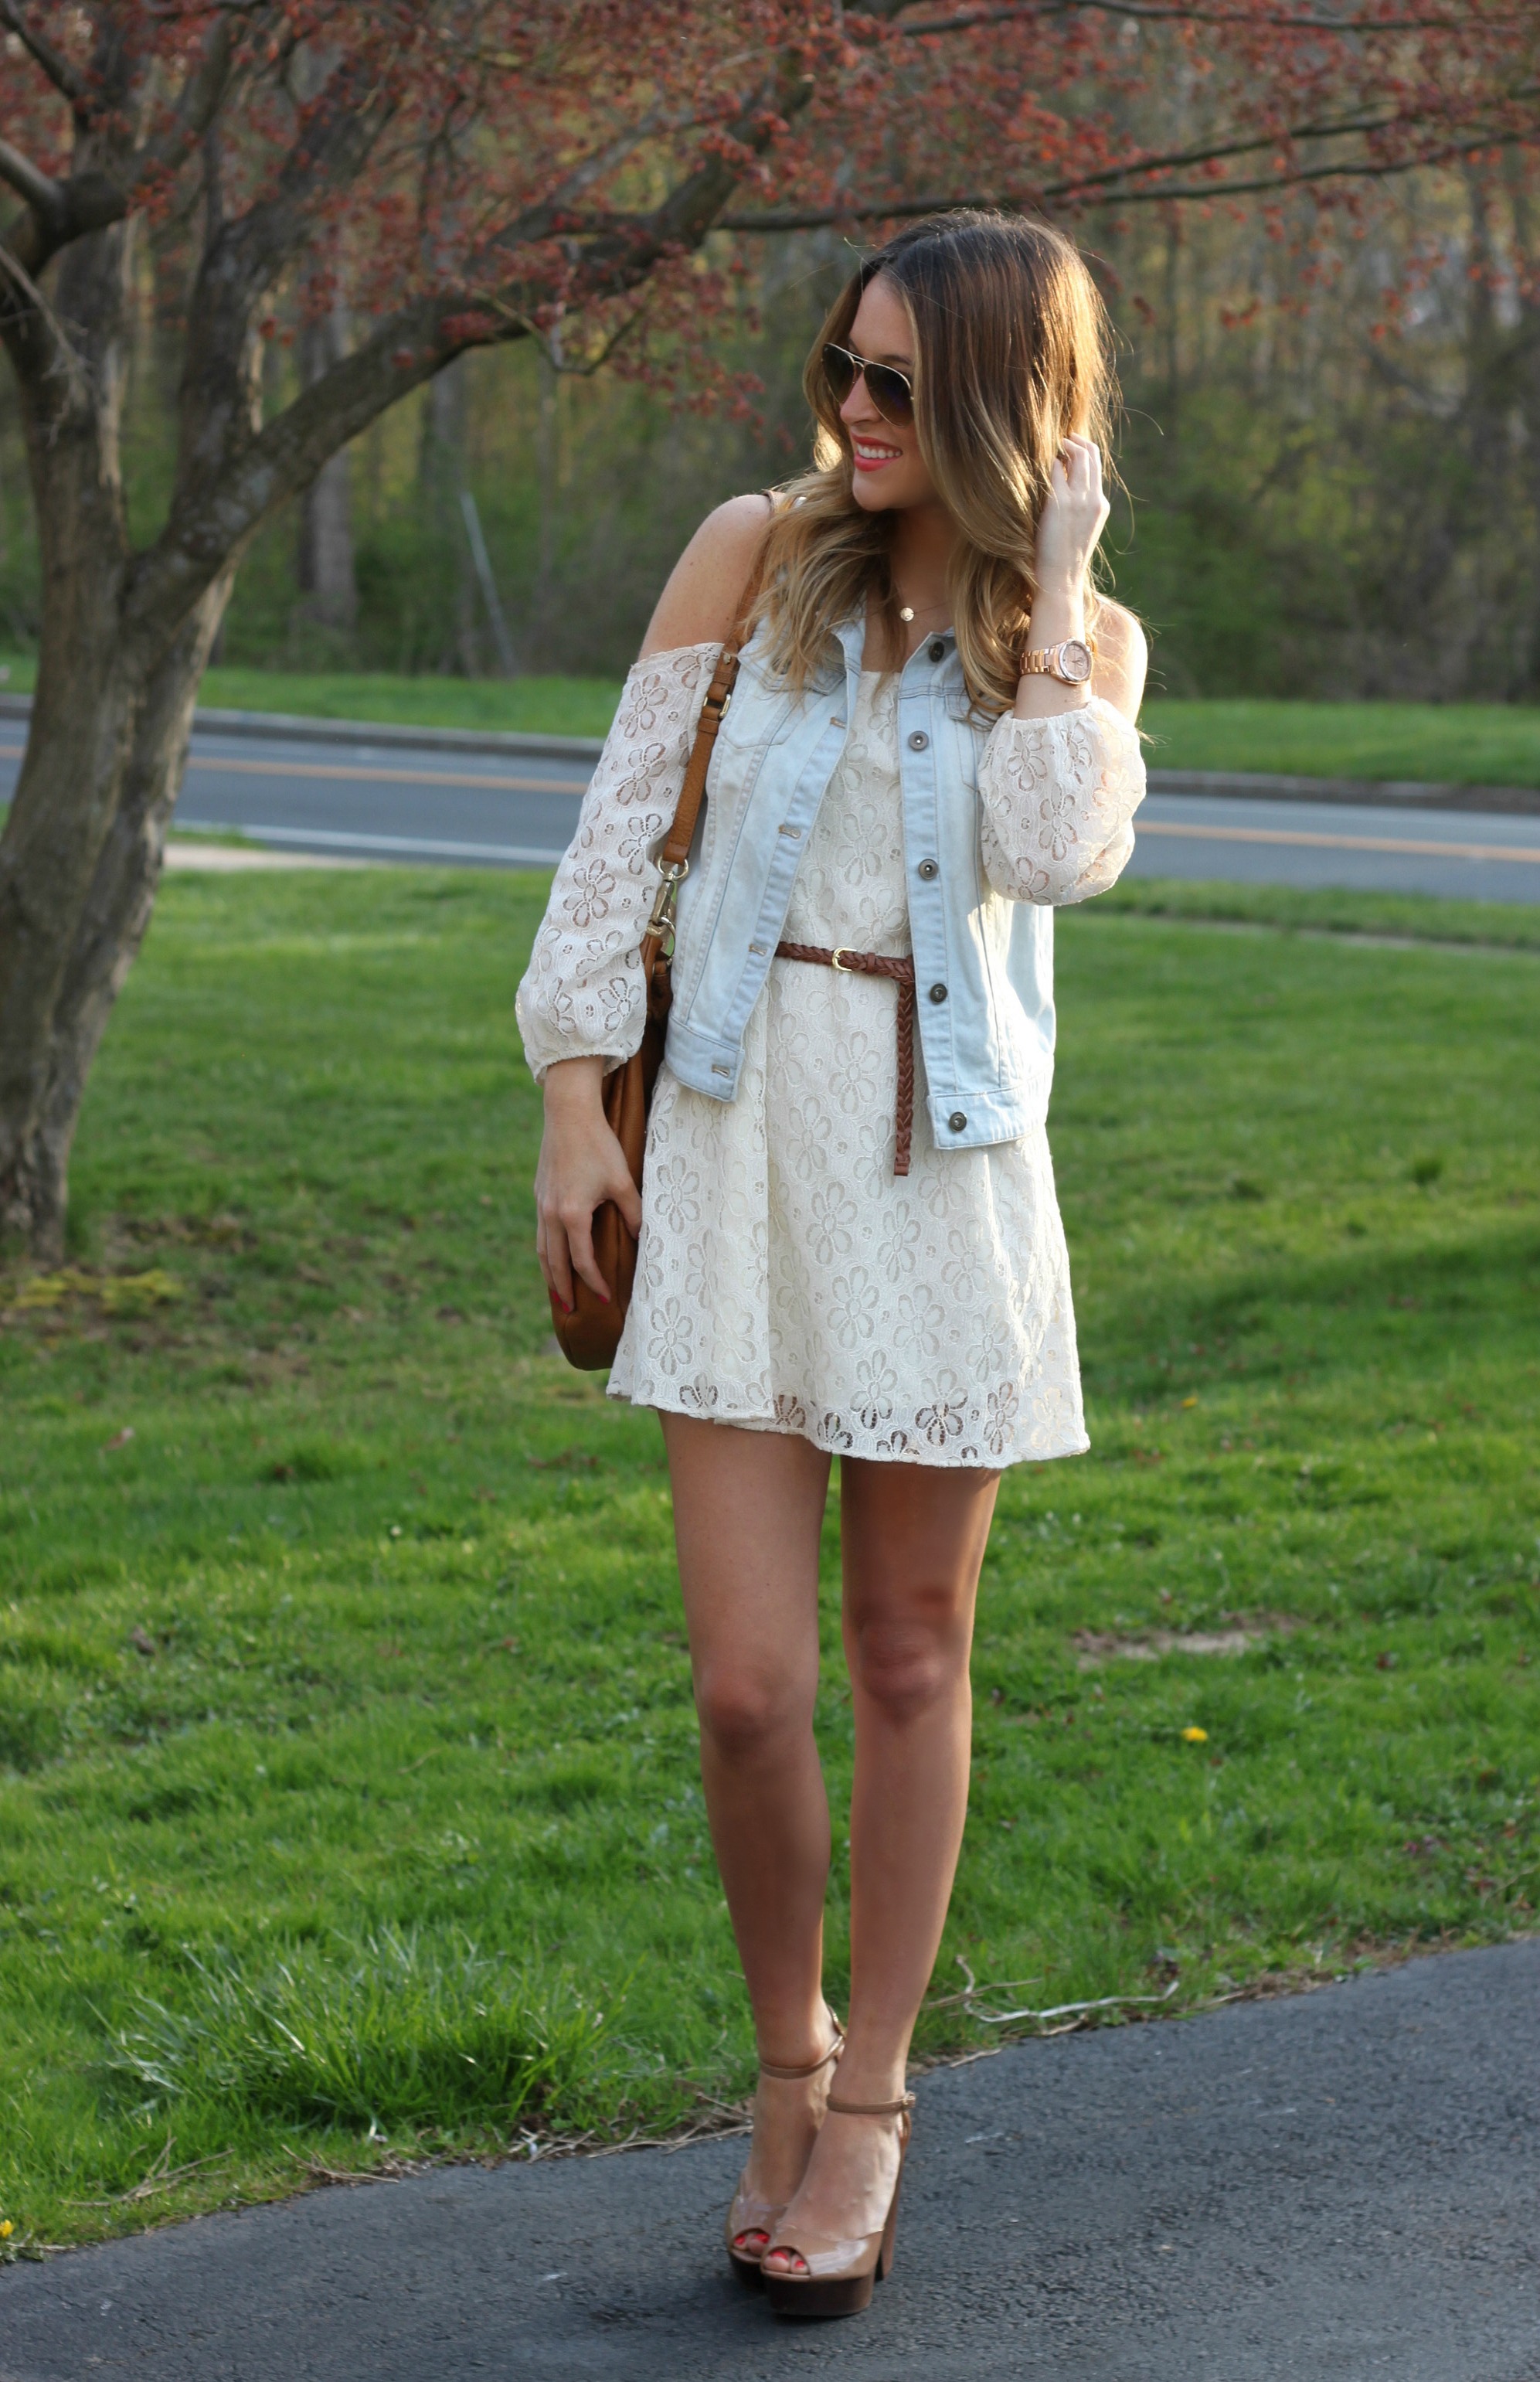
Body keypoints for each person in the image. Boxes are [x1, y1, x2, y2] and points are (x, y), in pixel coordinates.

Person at [516, 209, 1147, 2320]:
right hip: (725, 1138)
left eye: (896, 385)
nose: (849, 414)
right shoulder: (745, 554)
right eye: (840, 369)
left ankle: (867, 2094)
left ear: (992, 403)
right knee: (744, 1685)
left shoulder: (1083, 643)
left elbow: (1057, 851)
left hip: (933, 1175)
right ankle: (777, 2045)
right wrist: (570, 1096)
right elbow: (617, 832)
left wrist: (1050, 592)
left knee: (904, 1655)